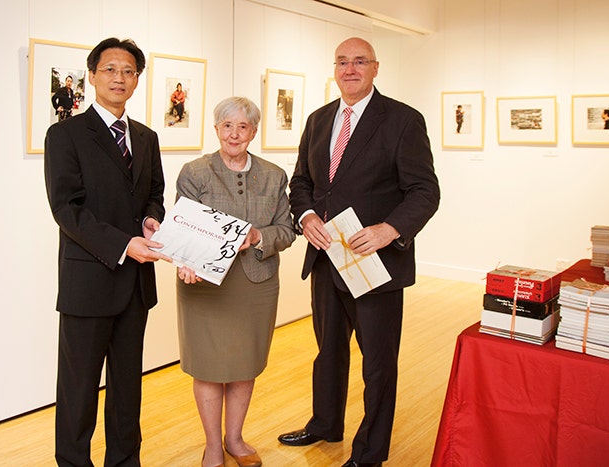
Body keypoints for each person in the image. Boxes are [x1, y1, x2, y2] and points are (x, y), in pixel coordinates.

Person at [279, 37, 440, 467]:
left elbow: (425, 191)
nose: (350, 69)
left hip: (376, 263)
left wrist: (389, 230)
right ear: (334, 68)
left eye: (360, 62)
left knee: (378, 364)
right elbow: (302, 184)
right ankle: (325, 424)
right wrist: (307, 215)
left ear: (375, 68)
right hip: (326, 257)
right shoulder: (317, 120)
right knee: (327, 351)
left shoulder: (403, 121)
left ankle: (369, 452)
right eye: (342, 62)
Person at [44, 37, 170, 467]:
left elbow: (155, 193)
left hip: (135, 286)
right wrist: (124, 244)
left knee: (127, 387)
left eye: (129, 71)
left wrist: (152, 219)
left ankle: (124, 461)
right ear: (93, 74)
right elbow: (66, 208)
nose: (120, 78)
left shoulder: (147, 137)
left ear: (137, 80)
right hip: (88, 281)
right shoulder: (65, 134)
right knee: (78, 388)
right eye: (111, 69)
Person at [174, 96, 296, 467]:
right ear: (216, 130)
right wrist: (184, 261)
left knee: (244, 365)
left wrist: (259, 237)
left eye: (243, 127)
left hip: (256, 283)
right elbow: (183, 227)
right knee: (209, 367)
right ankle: (213, 446)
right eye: (227, 126)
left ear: (254, 132)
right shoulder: (194, 172)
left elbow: (287, 230)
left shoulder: (274, 175)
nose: (234, 134)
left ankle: (235, 438)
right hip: (204, 286)